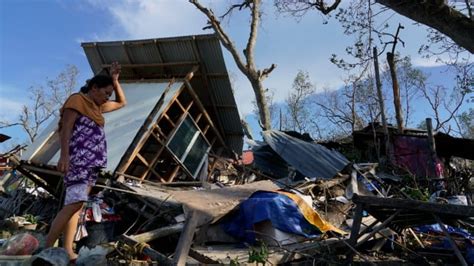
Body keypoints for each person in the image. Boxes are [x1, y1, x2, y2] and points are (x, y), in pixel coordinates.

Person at [46, 62, 126, 260]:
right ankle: (45, 247)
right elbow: (66, 129)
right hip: (78, 160)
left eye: (109, 94)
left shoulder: (97, 108)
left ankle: (67, 249)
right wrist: (64, 157)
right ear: (94, 88)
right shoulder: (77, 100)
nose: (107, 97)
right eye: (105, 92)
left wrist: (115, 82)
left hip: (92, 163)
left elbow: (122, 102)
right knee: (74, 203)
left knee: (77, 205)